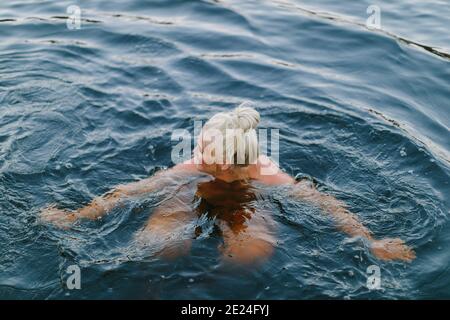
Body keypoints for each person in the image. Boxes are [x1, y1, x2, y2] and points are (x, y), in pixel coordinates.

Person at [40, 102, 415, 264]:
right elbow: (134, 190)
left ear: (226, 161)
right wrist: (76, 217)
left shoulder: (265, 173)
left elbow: (325, 204)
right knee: (157, 248)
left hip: (248, 202)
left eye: (203, 151)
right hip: (189, 196)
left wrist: (372, 242)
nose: (195, 154)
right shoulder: (194, 166)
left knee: (245, 257)